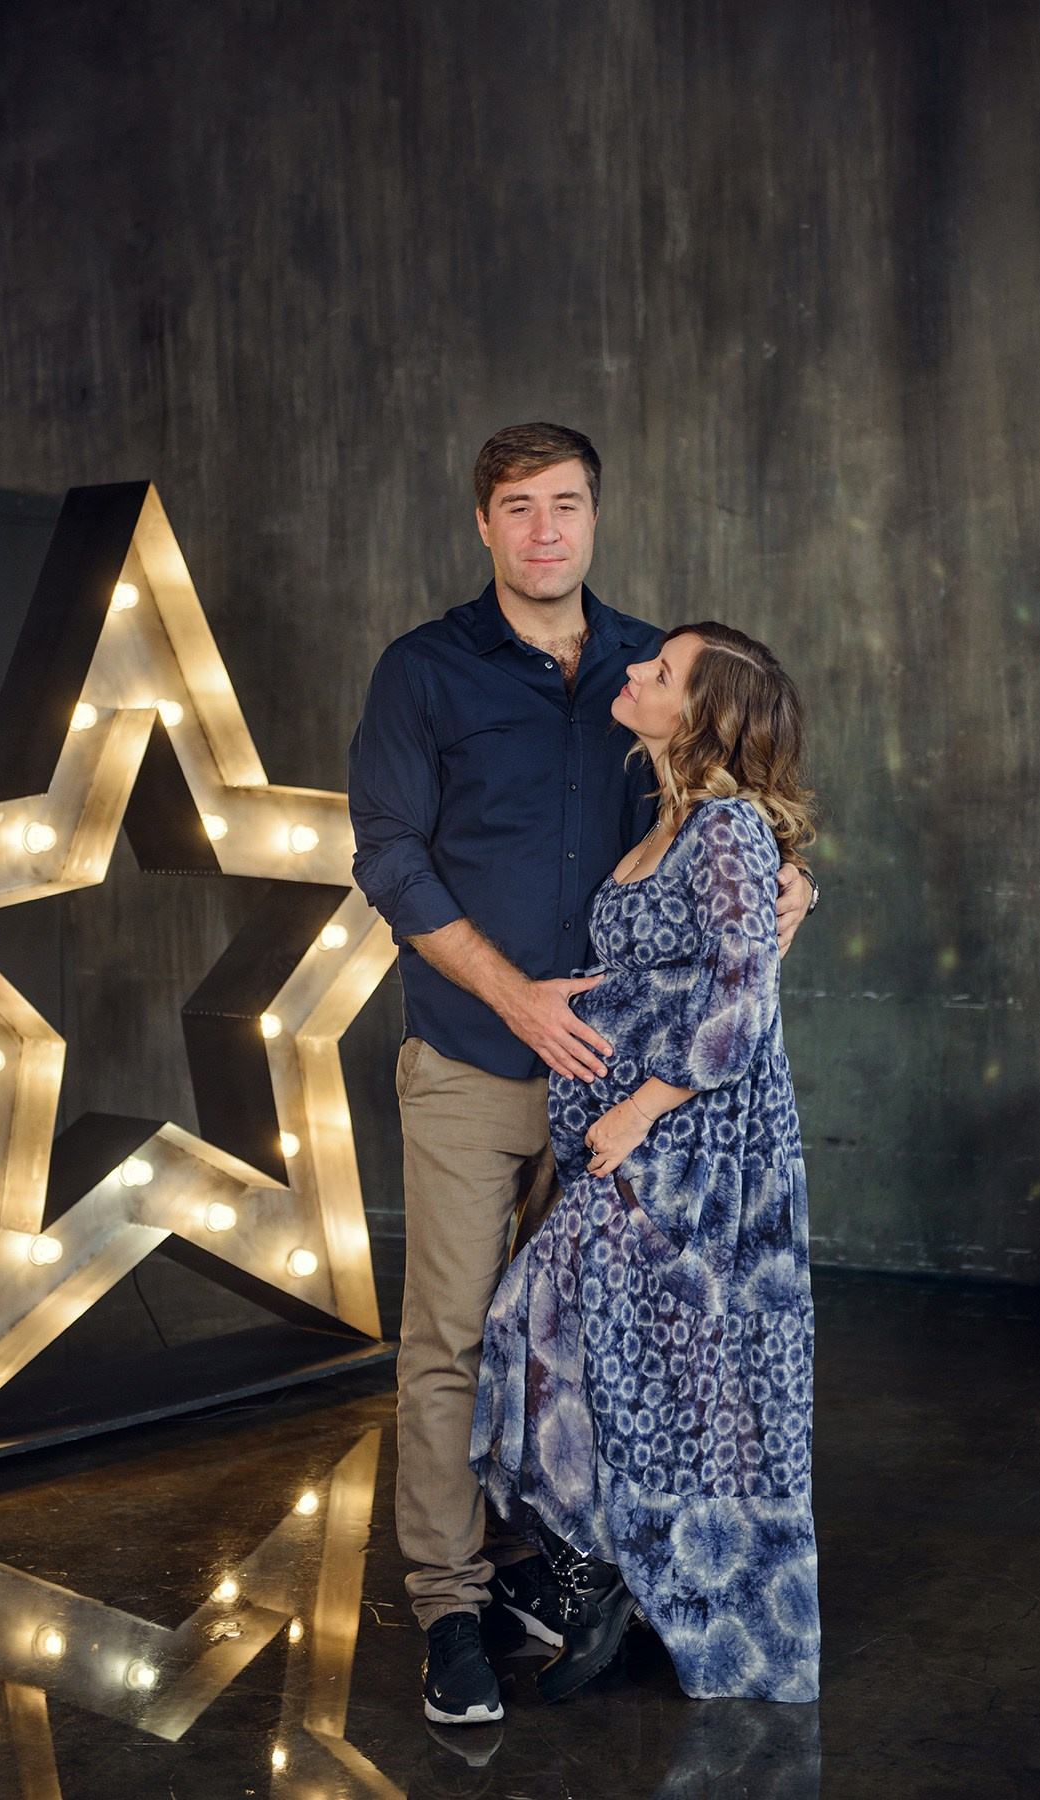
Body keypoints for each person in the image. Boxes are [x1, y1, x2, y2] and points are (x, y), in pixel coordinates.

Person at [348, 424, 817, 1725]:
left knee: (605, 1352)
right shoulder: (423, 671)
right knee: (455, 1340)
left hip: (623, 1098)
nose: (545, 530)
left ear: (594, 517)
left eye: (566, 504)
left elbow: (729, 828)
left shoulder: (654, 669)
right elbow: (388, 856)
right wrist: (514, 995)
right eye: (518, 507)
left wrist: (794, 885)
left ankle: (575, 1574)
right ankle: (451, 1603)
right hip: (473, 1059)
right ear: (483, 523)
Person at [470, 622, 820, 1704]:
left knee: (596, 1346)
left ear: (700, 716)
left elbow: (742, 1005)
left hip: (693, 1152)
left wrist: (636, 1111)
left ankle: (610, 1578)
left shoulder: (724, 830)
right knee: (590, 1347)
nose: (634, 671)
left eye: (660, 673)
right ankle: (603, 1566)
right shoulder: (669, 819)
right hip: (639, 1145)